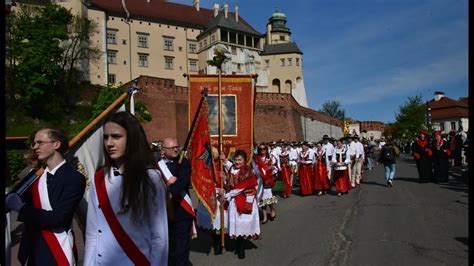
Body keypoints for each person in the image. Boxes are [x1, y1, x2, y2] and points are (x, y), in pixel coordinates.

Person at [84, 112, 168, 266]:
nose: (109, 143)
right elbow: (92, 234)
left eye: (116, 137)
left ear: (132, 139)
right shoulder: (99, 179)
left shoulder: (151, 178)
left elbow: (160, 237)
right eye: (106, 137)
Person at [5, 128, 86, 266]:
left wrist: (21, 208)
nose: (35, 147)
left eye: (40, 142)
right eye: (34, 143)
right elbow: (13, 197)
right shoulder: (35, 175)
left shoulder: (74, 178)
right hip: (33, 248)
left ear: (56, 144)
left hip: (56, 249)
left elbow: (57, 218)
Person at [159, 137, 195, 266]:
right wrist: (167, 185)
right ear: (163, 150)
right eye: (172, 147)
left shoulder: (184, 163)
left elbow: (182, 182)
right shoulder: (157, 165)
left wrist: (169, 189)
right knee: (168, 247)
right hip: (164, 213)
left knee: (181, 249)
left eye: (176, 147)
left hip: (181, 211)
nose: (175, 149)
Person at [220, 150, 260, 259]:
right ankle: (238, 243)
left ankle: (241, 248)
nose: (237, 162)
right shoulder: (232, 168)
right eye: (236, 159)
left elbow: (239, 188)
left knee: (242, 223)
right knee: (237, 223)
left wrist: (227, 195)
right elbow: (230, 167)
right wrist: (224, 160)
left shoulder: (247, 171)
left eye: (240, 160)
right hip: (234, 200)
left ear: (244, 160)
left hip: (244, 199)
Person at [196, 146, 227, 255]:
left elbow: (231, 179)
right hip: (207, 197)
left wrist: (224, 182)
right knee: (210, 223)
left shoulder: (222, 166)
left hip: (218, 199)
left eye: (214, 157)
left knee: (218, 222)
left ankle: (218, 243)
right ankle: (215, 240)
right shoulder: (204, 168)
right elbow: (202, 183)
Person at [253, 143, 277, 224]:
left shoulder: (271, 158)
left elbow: (276, 167)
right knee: (262, 198)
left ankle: (272, 209)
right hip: (259, 181)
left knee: (268, 197)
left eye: (264, 149)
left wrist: (271, 168)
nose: (262, 150)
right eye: (260, 149)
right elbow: (254, 169)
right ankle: (265, 215)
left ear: (266, 149)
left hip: (267, 180)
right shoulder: (256, 159)